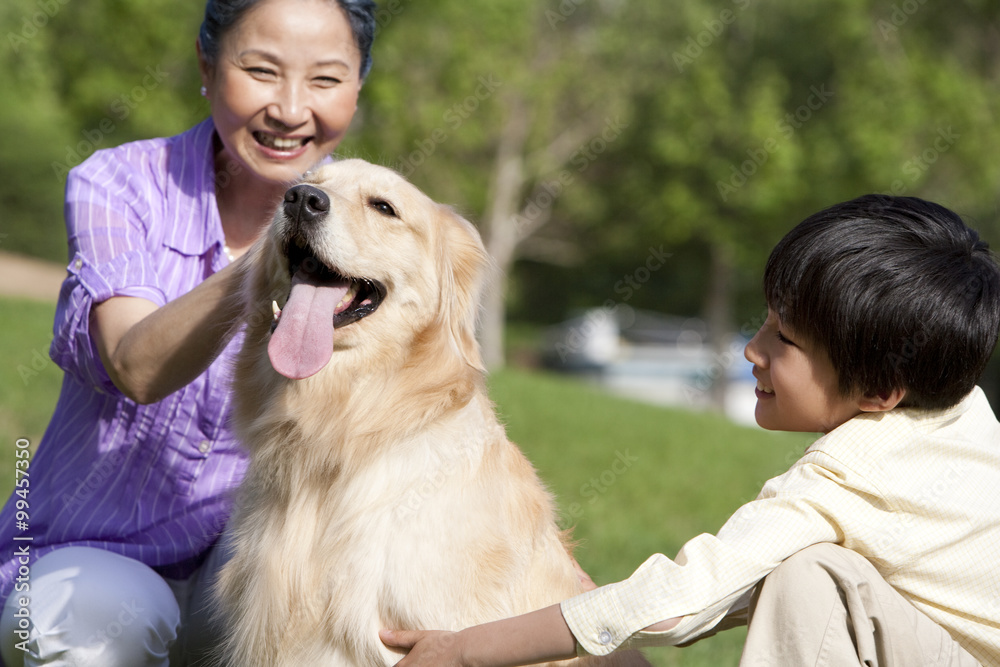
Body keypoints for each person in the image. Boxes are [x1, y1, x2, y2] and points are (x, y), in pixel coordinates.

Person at [380, 194, 1000, 666]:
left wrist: (462, 650)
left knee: (811, 578)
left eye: (784, 340)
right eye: (765, 321)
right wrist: (601, 611)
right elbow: (712, 593)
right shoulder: (960, 407)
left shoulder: (849, 477)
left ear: (877, 393)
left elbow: (684, 597)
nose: (753, 350)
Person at [0, 0, 376, 665]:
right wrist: (274, 254)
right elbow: (135, 365)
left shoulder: (375, 227)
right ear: (206, 67)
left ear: (357, 88)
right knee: (92, 627)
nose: (291, 110)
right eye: (261, 70)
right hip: (92, 560)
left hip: (250, 568)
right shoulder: (120, 186)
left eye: (325, 79)